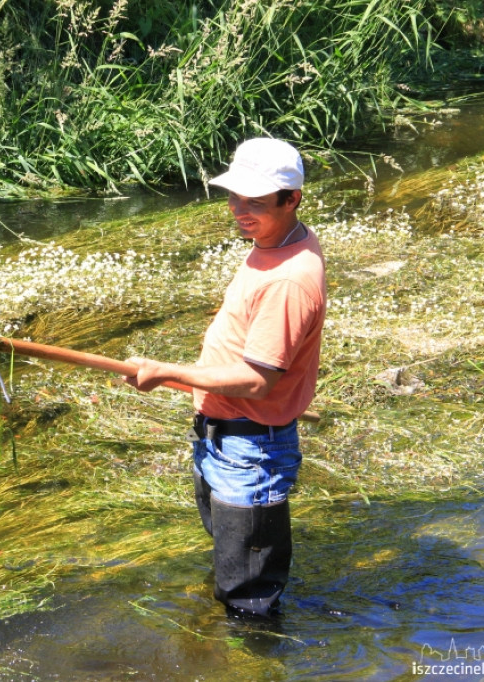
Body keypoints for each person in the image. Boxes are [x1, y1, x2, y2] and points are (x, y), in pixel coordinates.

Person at [125, 138, 326, 618]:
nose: (239, 209)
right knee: (235, 565)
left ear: (293, 199)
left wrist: (166, 372)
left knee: (248, 602)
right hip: (223, 436)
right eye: (234, 195)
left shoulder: (287, 280)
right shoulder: (278, 240)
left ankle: (250, 652)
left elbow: (257, 382)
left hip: (249, 452)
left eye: (255, 201)